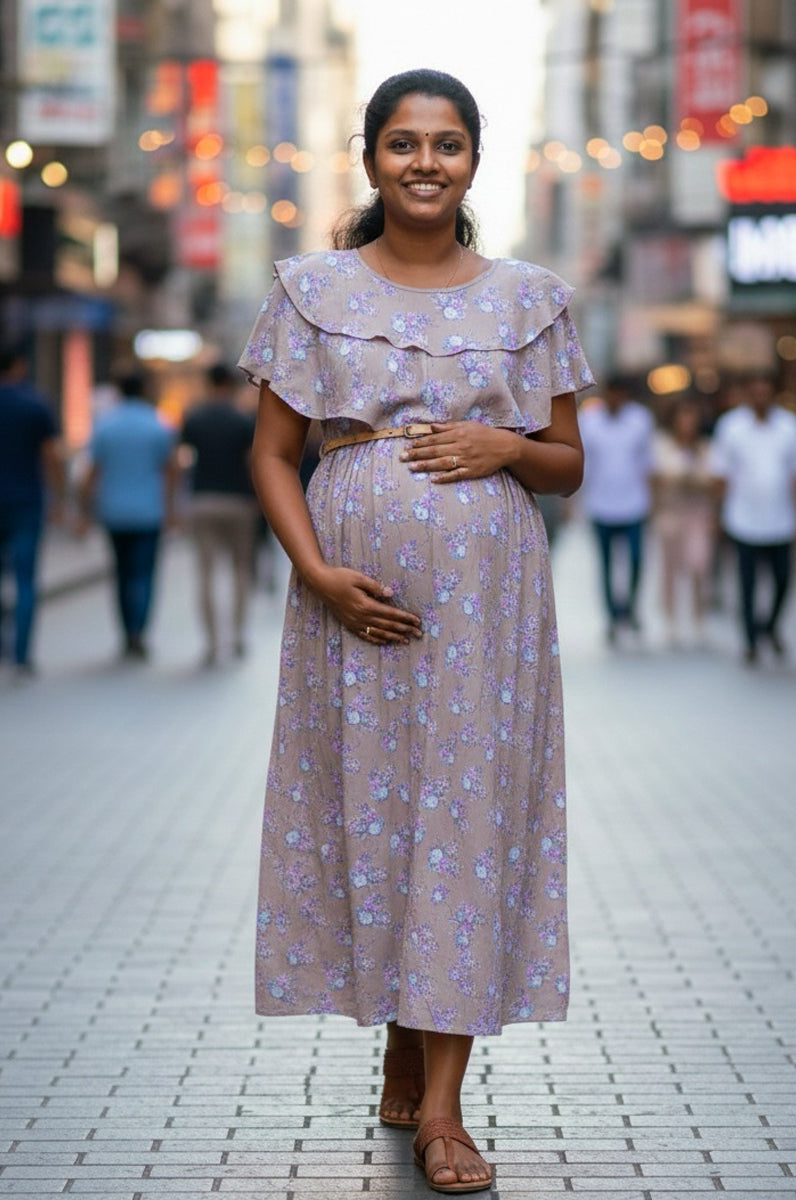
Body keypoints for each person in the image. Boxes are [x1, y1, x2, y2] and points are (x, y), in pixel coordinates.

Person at [238, 68, 593, 1195]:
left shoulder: (531, 298)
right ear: (371, 159)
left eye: (446, 144)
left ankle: (443, 1108)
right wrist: (318, 574)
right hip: (352, 606)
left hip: (490, 610)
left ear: (474, 161)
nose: (425, 163)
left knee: (464, 818)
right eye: (403, 143)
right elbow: (271, 454)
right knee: (380, 813)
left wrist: (508, 448)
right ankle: (402, 1028)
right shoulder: (311, 289)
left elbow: (569, 465)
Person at [709, 369, 796, 665]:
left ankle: (769, 625)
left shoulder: (790, 426)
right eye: (755, 392)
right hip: (743, 518)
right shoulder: (731, 426)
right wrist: (717, 514)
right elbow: (720, 473)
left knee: (783, 579)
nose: (760, 398)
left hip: (782, 519)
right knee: (747, 583)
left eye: (765, 392)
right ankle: (750, 639)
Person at [79, 369, 178, 660]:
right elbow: (170, 471)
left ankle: (126, 631)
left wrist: (84, 510)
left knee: (121, 573)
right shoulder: (158, 425)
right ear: (143, 390)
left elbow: (92, 472)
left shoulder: (104, 425)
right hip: (149, 512)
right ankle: (139, 631)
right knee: (144, 574)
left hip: (114, 512)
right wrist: (171, 509)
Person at [180, 364, 258, 665]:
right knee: (241, 569)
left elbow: (182, 459)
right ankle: (237, 636)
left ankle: (211, 642)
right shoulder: (242, 420)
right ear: (230, 384)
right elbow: (252, 463)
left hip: (203, 500)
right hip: (239, 501)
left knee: (205, 573)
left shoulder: (194, 418)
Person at [0, 342, 65, 676]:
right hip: (26, 502)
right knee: (25, 580)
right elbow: (51, 456)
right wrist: (59, 499)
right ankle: (21, 654)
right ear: (19, 365)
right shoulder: (35, 404)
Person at [577, 376, 654, 644]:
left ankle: (629, 607)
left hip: (634, 503)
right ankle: (611, 616)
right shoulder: (589, 421)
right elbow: (583, 463)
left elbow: (648, 462)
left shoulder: (640, 420)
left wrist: (653, 501)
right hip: (600, 504)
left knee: (635, 560)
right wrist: (573, 502)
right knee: (606, 565)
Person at [651, 396, 716, 646]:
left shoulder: (705, 448)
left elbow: (713, 482)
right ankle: (670, 619)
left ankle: (699, 618)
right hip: (671, 512)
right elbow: (656, 478)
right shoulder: (662, 445)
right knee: (669, 569)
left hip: (698, 514)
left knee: (699, 565)